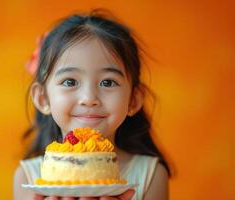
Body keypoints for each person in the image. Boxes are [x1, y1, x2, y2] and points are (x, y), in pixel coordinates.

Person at [13, 9, 170, 200]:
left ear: (133, 100)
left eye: (108, 82)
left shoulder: (151, 175)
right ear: (42, 98)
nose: (89, 98)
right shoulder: (27, 178)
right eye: (70, 82)